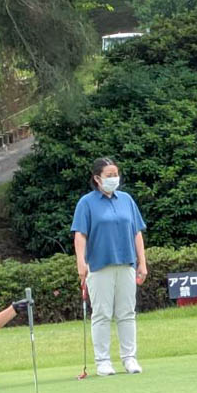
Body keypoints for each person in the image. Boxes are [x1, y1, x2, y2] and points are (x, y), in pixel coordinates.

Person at [71, 157, 148, 376]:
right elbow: (80, 235)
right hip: (99, 265)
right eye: (109, 175)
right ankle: (103, 361)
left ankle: (129, 358)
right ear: (97, 178)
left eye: (116, 174)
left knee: (127, 312)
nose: (114, 178)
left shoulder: (126, 200)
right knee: (102, 314)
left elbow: (136, 232)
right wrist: (81, 263)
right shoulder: (86, 203)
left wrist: (142, 262)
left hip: (126, 263)